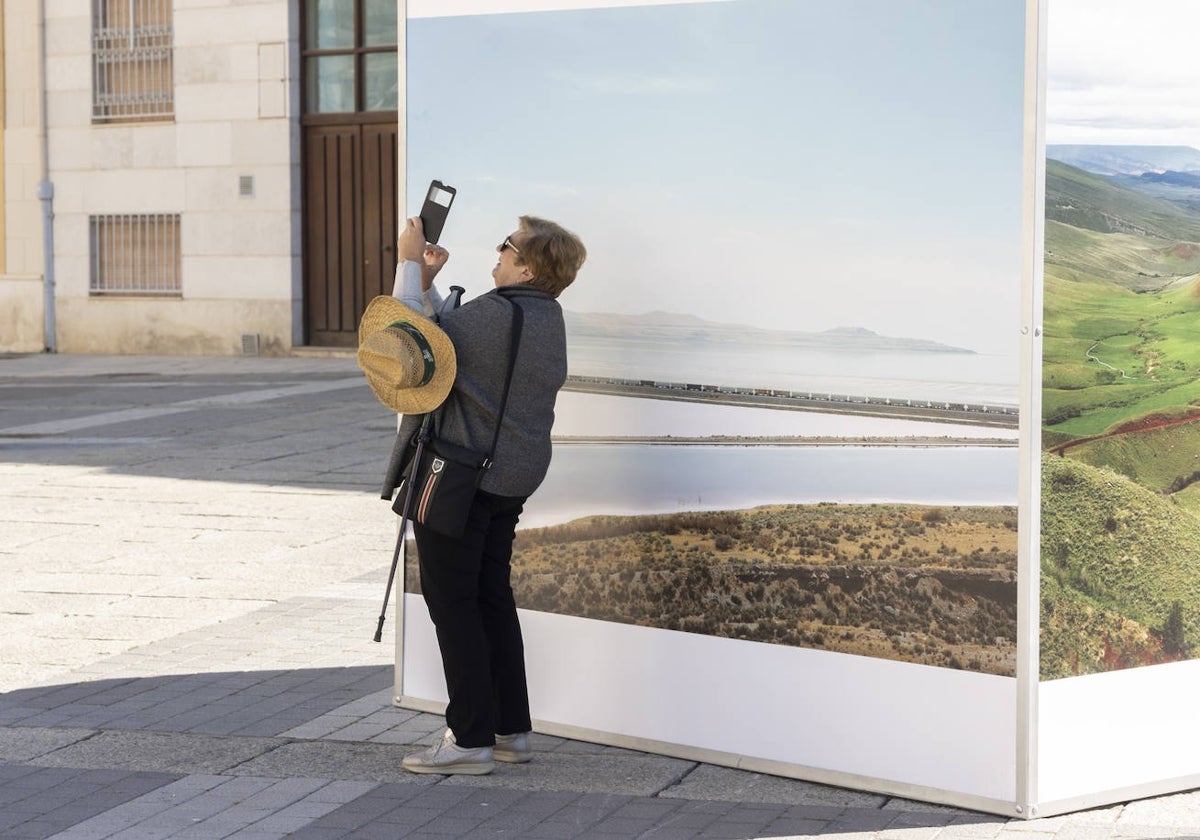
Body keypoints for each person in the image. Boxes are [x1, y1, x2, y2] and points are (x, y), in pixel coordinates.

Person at [392, 214, 586, 776]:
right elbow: (449, 348)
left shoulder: (497, 313)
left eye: (505, 248)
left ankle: (470, 739)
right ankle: (509, 729)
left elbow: (407, 346)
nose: (495, 255)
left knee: (453, 604)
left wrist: (409, 262)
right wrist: (430, 285)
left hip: (460, 476)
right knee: (490, 598)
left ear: (526, 266)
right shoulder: (547, 316)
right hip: (509, 477)